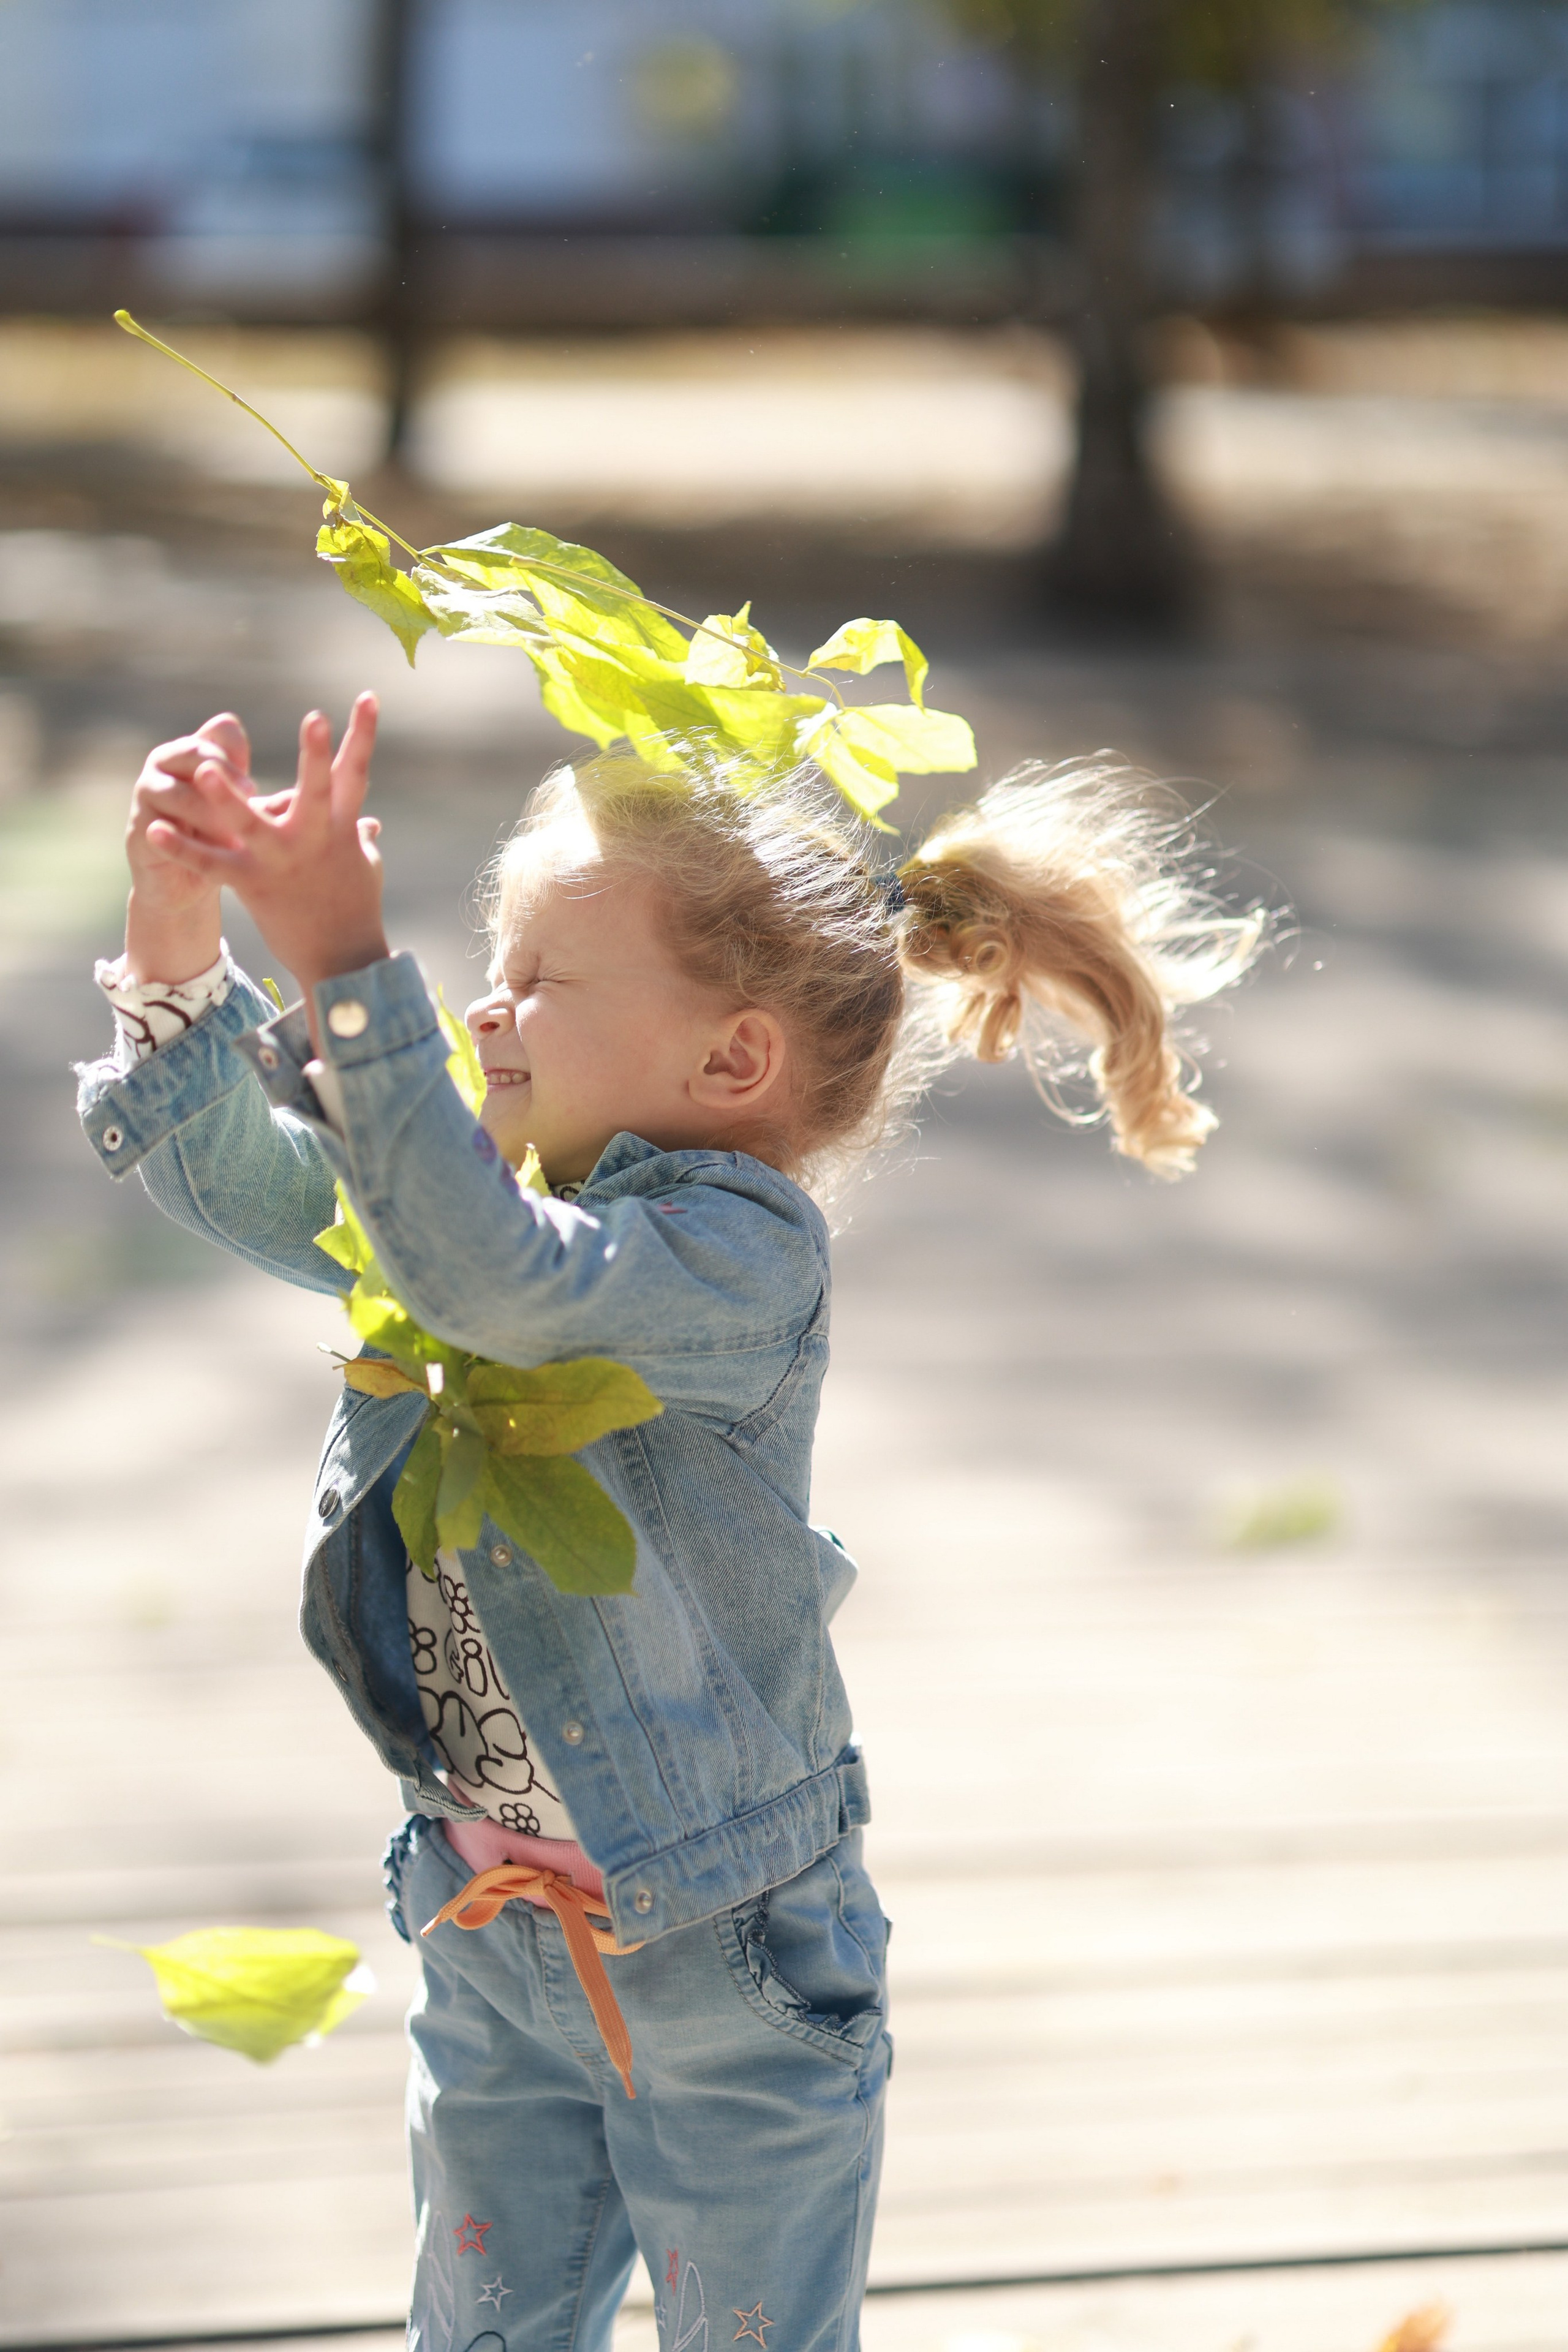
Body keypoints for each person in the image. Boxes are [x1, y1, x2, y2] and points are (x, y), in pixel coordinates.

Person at [78, 692, 1262, 2352]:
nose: (485, 1005)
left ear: (730, 1058)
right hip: (493, 1939)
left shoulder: (729, 1256)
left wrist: (355, 968)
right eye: (488, 964)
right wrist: (180, 929)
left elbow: (494, 1278)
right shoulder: (486, 1195)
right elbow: (259, 1181)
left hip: (725, 1966)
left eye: (538, 977)